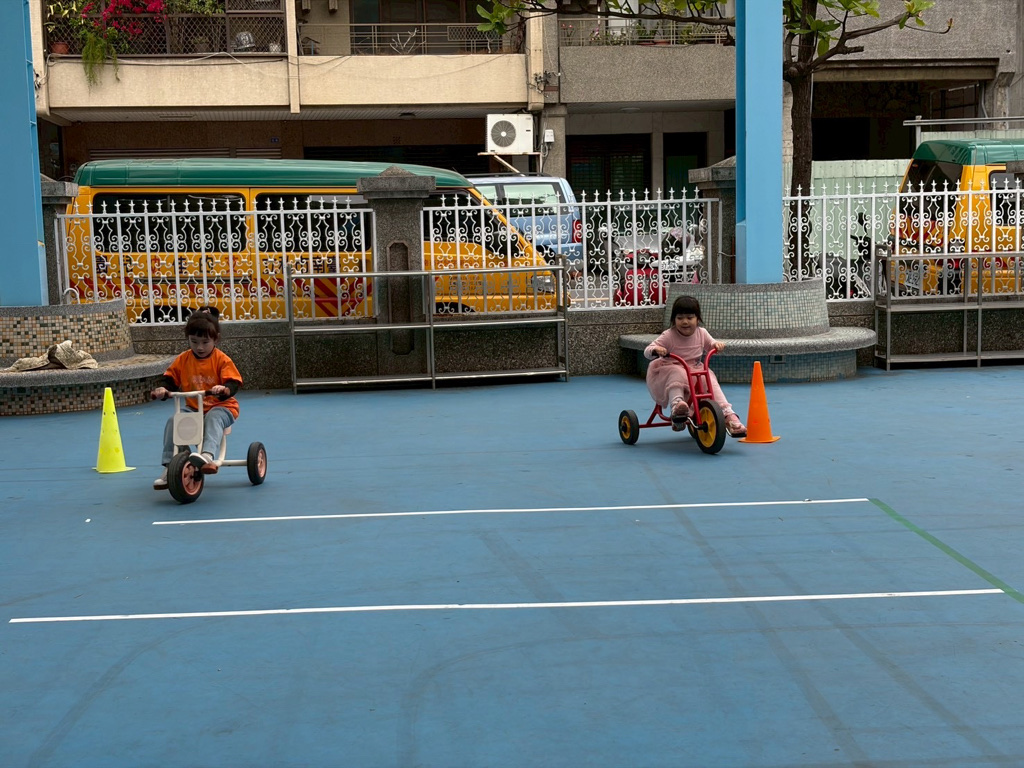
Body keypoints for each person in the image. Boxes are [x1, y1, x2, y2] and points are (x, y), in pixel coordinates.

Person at [151, 307, 243, 490]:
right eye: (194, 342)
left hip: (222, 406)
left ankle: (207, 456)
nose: (199, 347)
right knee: (174, 421)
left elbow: (234, 382)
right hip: (194, 408)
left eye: (205, 342)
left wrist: (224, 389)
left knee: (213, 417)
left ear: (216, 339)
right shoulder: (183, 359)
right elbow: (170, 379)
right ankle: (172, 465)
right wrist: (162, 389)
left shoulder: (222, 360)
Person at [644, 295, 747, 438]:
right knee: (677, 372)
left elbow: (711, 344)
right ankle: (677, 406)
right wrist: (656, 350)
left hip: (694, 369)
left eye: (689, 317)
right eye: (680, 318)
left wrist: (716, 345)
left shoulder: (701, 333)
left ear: (697, 319)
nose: (685, 322)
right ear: (674, 320)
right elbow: (648, 350)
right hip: (669, 367)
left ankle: (727, 413)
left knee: (709, 378)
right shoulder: (669, 335)